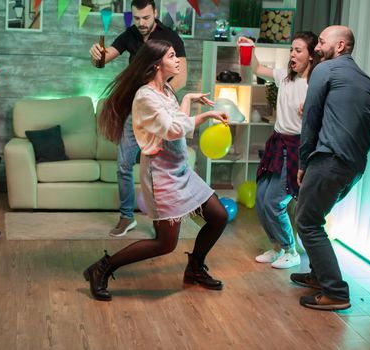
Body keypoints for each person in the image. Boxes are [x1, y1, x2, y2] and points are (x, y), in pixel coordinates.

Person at [84, 39, 228, 301]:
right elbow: (174, 129)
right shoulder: (146, 97)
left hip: (180, 170)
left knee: (218, 216)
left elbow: (176, 120)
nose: (177, 60)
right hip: (162, 175)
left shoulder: (167, 90)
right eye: (172, 56)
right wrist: (204, 116)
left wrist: (187, 99)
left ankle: (195, 268)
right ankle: (102, 268)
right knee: (165, 243)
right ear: (156, 63)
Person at [290, 26, 370, 310]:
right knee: (315, 217)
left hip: (329, 159)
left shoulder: (324, 71)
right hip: (353, 166)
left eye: (322, 43)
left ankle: (336, 292)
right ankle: (319, 275)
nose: (316, 48)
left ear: (339, 46)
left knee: (307, 221)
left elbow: (310, 120)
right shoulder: (366, 80)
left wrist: (304, 162)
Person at [89, 0, 187, 237]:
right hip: (136, 112)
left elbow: (181, 78)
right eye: (137, 18)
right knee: (124, 165)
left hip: (160, 112)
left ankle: (161, 219)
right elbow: (103, 60)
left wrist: (158, 97)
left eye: (145, 18)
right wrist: (96, 56)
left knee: (158, 169)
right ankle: (126, 217)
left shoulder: (170, 37)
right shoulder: (130, 35)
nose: (141, 23)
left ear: (155, 13)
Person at [237, 32, 319, 269]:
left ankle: (290, 250)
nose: (292, 54)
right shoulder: (285, 76)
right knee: (261, 199)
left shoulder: (315, 85)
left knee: (274, 202)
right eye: (291, 49)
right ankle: (277, 247)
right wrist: (249, 48)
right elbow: (257, 68)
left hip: (297, 147)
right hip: (277, 143)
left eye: (298, 50)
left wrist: (311, 111)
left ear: (311, 56)